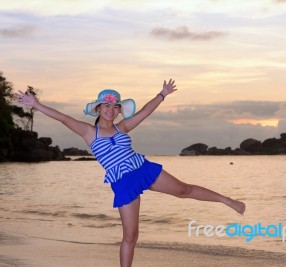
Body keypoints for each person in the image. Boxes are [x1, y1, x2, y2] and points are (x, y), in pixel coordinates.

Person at [16, 79, 246, 267]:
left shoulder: (122, 127)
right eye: (107, 105)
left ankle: (229, 201)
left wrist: (162, 94)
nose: (111, 109)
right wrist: (35, 104)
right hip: (123, 181)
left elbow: (145, 112)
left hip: (142, 169)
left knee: (183, 190)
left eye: (115, 106)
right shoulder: (88, 131)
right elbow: (63, 118)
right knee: (131, 235)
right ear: (98, 108)